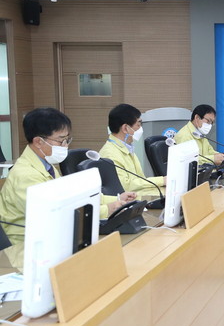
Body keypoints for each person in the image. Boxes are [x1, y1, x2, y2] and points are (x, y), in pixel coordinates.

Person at [0, 108, 133, 269]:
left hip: (51, 241)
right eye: (61, 140)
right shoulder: (25, 175)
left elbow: (72, 198)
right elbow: (54, 215)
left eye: (67, 139)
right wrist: (106, 210)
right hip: (26, 251)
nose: (65, 146)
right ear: (38, 142)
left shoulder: (46, 165)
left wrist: (117, 199)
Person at [99, 104, 165, 197]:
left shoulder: (126, 147)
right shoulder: (110, 154)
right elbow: (125, 186)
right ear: (125, 128)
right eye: (138, 124)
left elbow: (139, 179)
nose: (140, 129)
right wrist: (162, 180)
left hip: (138, 196)